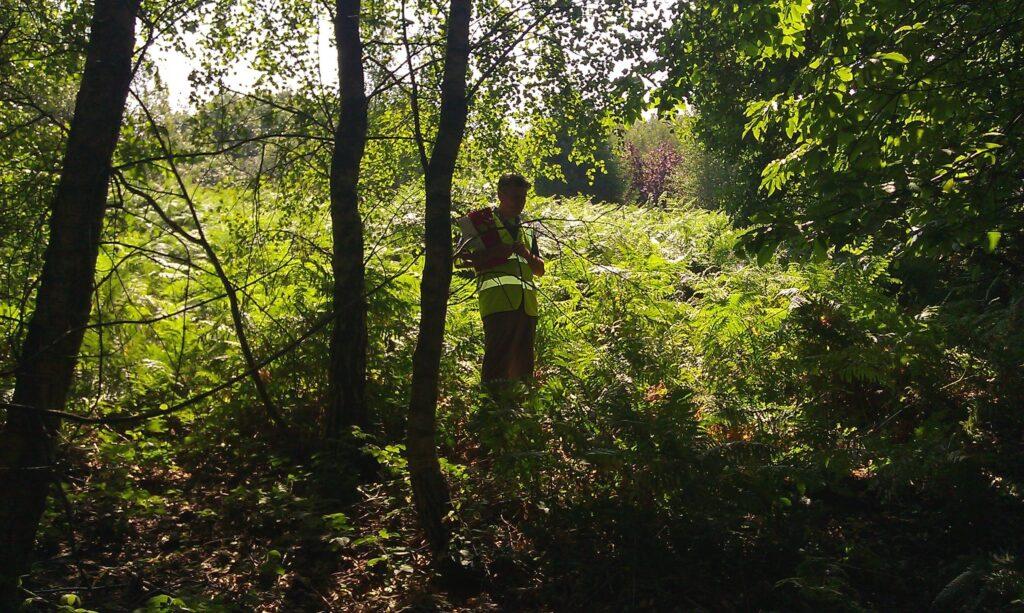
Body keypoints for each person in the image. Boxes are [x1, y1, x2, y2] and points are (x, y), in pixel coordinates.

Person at [456, 173, 545, 387]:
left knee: (523, 365)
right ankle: (492, 409)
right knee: (497, 362)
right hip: (497, 304)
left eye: (523, 198)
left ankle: (519, 411)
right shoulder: (481, 223)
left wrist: (526, 254)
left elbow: (540, 270)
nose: (520, 203)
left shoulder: (528, 228)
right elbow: (461, 260)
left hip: (527, 307)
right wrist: (497, 252)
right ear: (500, 195)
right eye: (515, 197)